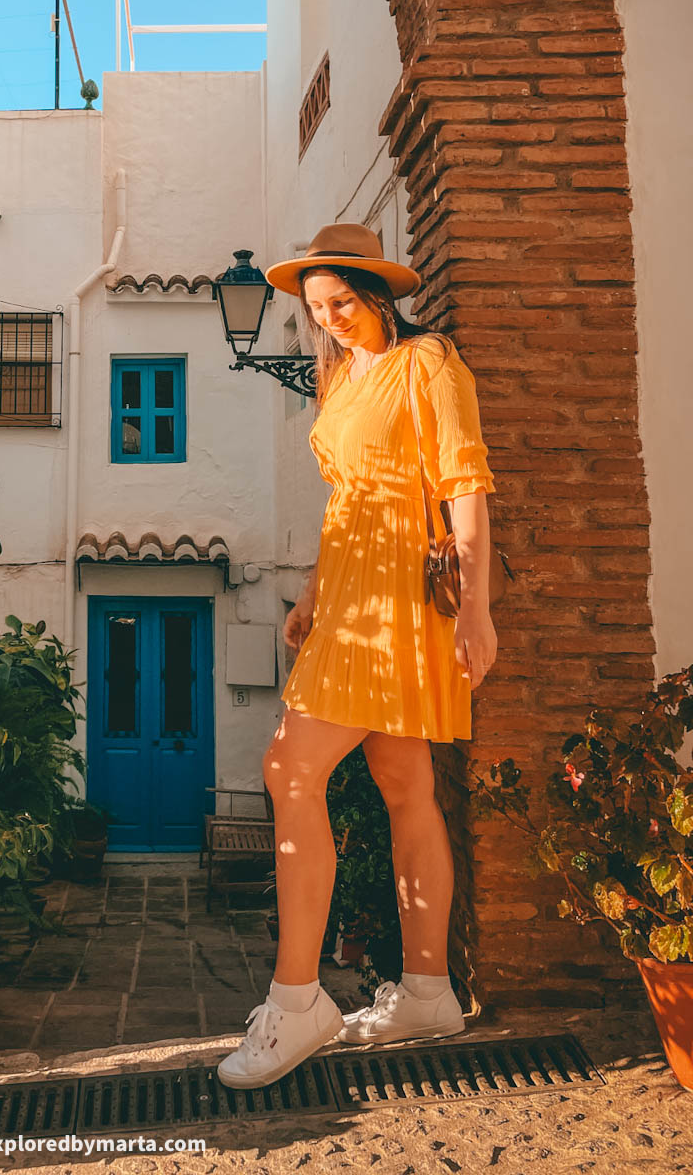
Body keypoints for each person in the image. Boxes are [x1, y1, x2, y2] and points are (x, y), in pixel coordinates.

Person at [217, 223, 497, 1090]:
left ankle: (297, 1002)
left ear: (379, 295)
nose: (331, 320)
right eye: (316, 310)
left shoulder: (429, 363)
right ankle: (426, 991)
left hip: (401, 598)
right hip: (346, 594)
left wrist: (476, 611)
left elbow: (464, 483)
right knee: (404, 783)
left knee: (289, 771)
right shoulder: (341, 383)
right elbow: (349, 503)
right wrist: (308, 596)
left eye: (343, 302)